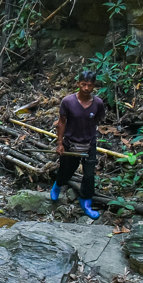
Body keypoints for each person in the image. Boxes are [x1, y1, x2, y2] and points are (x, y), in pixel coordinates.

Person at [50, 70, 106, 219]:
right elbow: (62, 122)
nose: (86, 88)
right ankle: (58, 184)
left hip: (89, 144)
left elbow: (96, 121)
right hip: (71, 143)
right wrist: (60, 143)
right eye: (83, 84)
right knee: (66, 170)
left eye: (89, 85)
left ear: (94, 86)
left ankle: (85, 200)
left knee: (89, 175)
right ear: (78, 84)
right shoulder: (68, 102)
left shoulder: (98, 103)